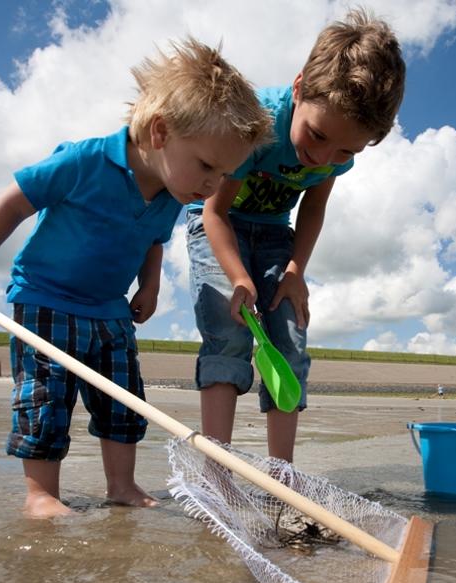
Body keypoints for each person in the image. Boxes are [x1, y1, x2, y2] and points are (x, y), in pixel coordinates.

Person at [0, 39, 272, 518]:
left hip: (111, 311)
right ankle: (41, 494)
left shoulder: (173, 195)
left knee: (123, 401)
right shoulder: (84, 161)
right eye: (206, 165)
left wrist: (151, 286)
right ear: (160, 132)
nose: (214, 185)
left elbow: (153, 240)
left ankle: (122, 484)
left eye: (224, 173)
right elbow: (13, 201)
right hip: (44, 301)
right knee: (44, 398)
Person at [186, 8, 405, 463]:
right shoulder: (258, 125)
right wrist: (239, 278)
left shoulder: (336, 154)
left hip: (273, 235)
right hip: (218, 222)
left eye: (345, 150)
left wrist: (294, 271)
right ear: (300, 87)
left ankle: (281, 477)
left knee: (288, 333)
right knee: (229, 330)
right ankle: (218, 470)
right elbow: (214, 210)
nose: (321, 157)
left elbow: (314, 206)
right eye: (317, 135)